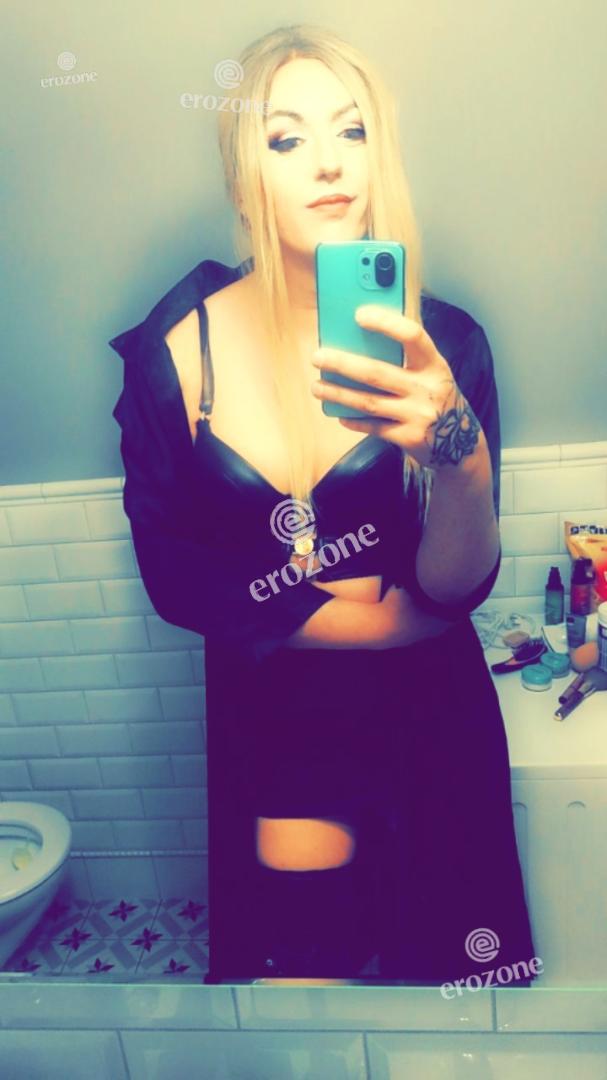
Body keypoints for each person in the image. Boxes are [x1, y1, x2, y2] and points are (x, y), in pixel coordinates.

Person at [109, 24, 537, 987]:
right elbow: (175, 576)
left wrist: (458, 460)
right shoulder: (176, 353)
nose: (328, 162)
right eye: (286, 137)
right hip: (281, 722)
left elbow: (455, 588)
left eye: (351, 130)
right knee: (303, 992)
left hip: (432, 718)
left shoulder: (445, 347)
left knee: (455, 991)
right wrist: (382, 619)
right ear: (242, 176)